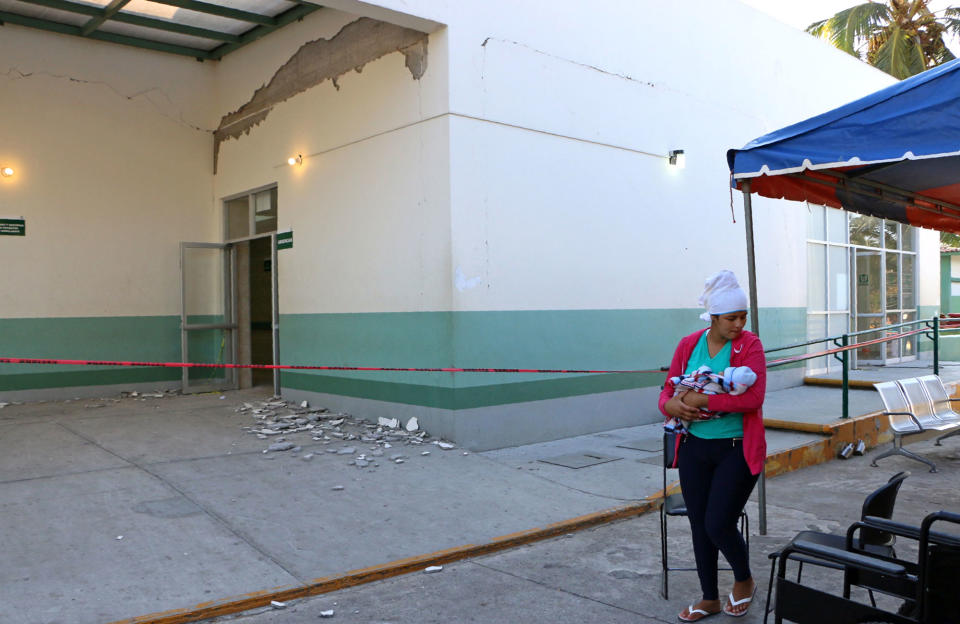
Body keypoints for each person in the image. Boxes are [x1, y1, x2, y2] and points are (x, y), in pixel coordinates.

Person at [658, 270, 766, 621]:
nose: (739, 324)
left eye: (742, 317)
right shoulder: (689, 344)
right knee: (698, 524)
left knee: (717, 523)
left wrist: (702, 401)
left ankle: (744, 580)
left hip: (736, 448)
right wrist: (671, 405)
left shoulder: (750, 346)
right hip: (694, 447)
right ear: (714, 318)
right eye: (731, 318)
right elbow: (668, 388)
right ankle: (709, 598)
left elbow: (753, 399)